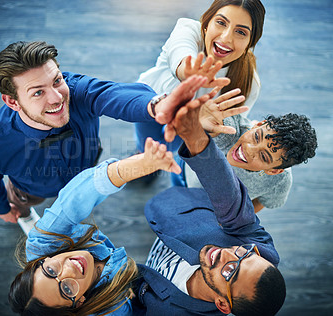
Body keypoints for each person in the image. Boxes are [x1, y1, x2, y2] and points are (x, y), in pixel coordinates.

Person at [0, 41, 223, 228]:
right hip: (32, 189)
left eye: (57, 81)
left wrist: (156, 105)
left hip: (86, 169)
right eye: (38, 92)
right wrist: (2, 208)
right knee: (21, 204)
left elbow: (111, 94)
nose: (57, 98)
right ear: (12, 102)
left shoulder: (76, 90)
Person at [132, 89, 286, 316]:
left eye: (231, 270)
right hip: (176, 207)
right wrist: (194, 135)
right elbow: (229, 197)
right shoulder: (260, 249)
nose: (229, 253)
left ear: (223, 304)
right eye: (244, 254)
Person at [8, 137, 183, 316]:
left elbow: (76, 198)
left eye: (51, 271)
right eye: (67, 289)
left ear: (41, 262)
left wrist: (139, 165)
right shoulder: (113, 310)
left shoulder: (42, 242)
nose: (70, 269)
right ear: (78, 304)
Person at [134, 0, 266, 154]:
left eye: (241, 32)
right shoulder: (187, 29)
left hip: (191, 123)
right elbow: (180, 51)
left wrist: (211, 130)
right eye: (221, 22)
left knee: (169, 152)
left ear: (250, 44)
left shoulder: (250, 83)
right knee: (145, 145)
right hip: (151, 99)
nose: (226, 38)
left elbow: (227, 131)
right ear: (206, 23)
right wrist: (188, 73)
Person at [171, 88, 318, 212]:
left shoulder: (280, 181)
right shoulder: (232, 129)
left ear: (274, 171)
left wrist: (234, 219)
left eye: (264, 157)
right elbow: (217, 126)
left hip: (211, 209)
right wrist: (201, 119)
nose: (248, 149)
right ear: (258, 124)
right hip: (184, 172)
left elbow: (263, 202)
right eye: (256, 136)